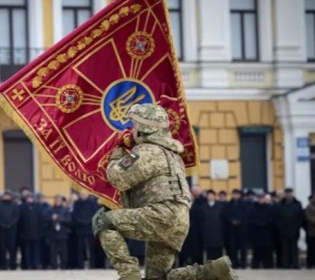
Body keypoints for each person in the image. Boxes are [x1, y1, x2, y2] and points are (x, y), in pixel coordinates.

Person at [91, 103, 236, 280]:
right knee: (158, 277)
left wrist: (117, 153)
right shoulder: (173, 155)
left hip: (160, 214)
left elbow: (117, 177)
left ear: (143, 128)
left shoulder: (147, 151)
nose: (131, 130)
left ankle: (129, 275)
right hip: (179, 219)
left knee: (102, 220)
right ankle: (210, 272)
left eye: (134, 125)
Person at [277, 188, 303, 269]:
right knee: (285, 249)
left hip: (294, 229)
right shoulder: (280, 204)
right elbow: (277, 217)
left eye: (290, 193)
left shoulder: (297, 204)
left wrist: (298, 226)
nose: (288, 195)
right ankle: (286, 264)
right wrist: (280, 227)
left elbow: (300, 217)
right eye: (287, 193)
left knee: (294, 248)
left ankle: (295, 263)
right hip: (283, 230)